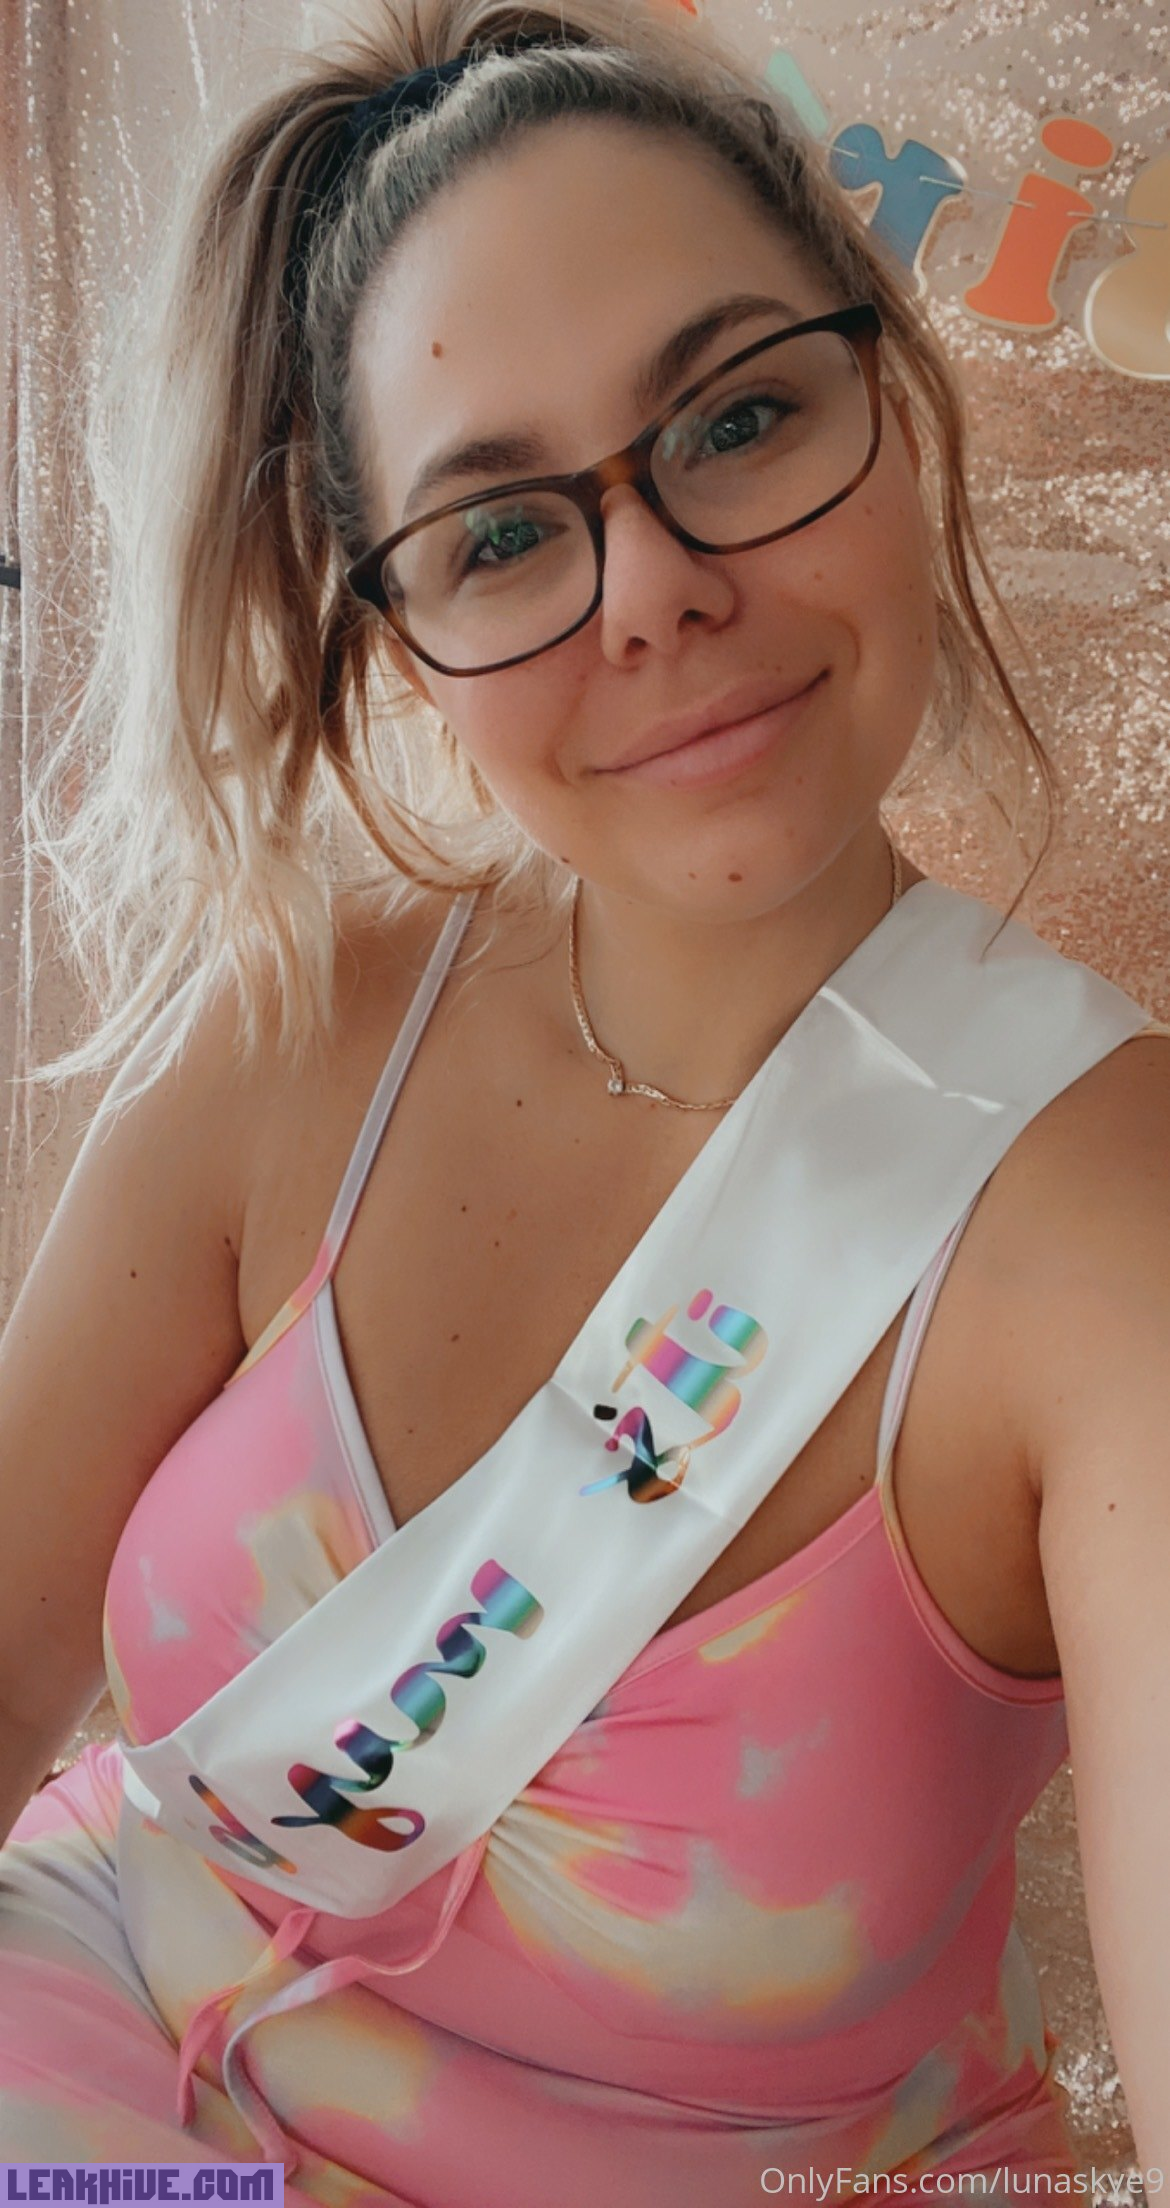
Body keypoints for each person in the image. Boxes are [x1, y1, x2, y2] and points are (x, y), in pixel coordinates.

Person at [0, 0, 1167, 2194]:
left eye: (738, 417)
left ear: (896, 409)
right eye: (502, 534)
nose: (656, 594)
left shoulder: (1110, 1226)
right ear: (399, 635)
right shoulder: (297, 1029)